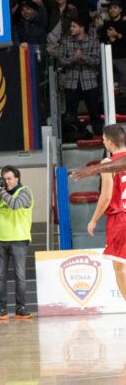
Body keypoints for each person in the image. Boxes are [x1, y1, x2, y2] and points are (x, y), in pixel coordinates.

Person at [0, 165, 34, 320]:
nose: (7, 182)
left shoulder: (25, 191)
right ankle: (1, 309)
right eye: (4, 179)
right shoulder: (2, 193)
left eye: (9, 179)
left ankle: (21, 308)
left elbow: (15, 205)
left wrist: (0, 191)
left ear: (17, 178)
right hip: (1, 238)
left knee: (20, 275)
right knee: (0, 276)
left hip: (19, 239)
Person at [86, 124, 126, 308]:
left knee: (120, 267)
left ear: (110, 142)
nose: (103, 143)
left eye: (103, 140)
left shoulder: (108, 163)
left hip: (121, 217)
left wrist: (94, 219)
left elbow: (106, 196)